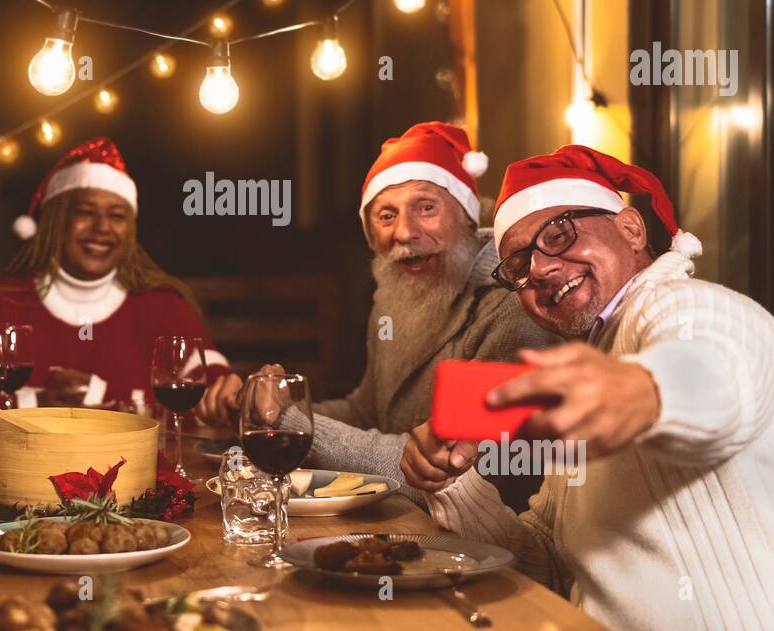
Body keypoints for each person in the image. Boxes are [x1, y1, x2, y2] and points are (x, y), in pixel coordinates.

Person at [406, 145, 774, 631]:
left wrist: (642, 393)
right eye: (520, 264)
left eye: (559, 233)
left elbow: (716, 367)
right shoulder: (597, 367)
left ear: (632, 230)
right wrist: (452, 483)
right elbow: (549, 567)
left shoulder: (688, 308)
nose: (542, 269)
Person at [197, 122, 555, 506]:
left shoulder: (512, 309)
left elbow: (456, 472)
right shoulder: (395, 298)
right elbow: (367, 410)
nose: (404, 233)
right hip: (398, 521)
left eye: (426, 208)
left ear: (468, 218)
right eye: (386, 216)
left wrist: (290, 423)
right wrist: (262, 409)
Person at [0, 137, 230, 409]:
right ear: (56, 222)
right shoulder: (3, 304)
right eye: (85, 213)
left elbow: (215, 401)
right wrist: (31, 403)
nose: (102, 228)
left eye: (117, 216)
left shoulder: (162, 306)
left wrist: (101, 396)